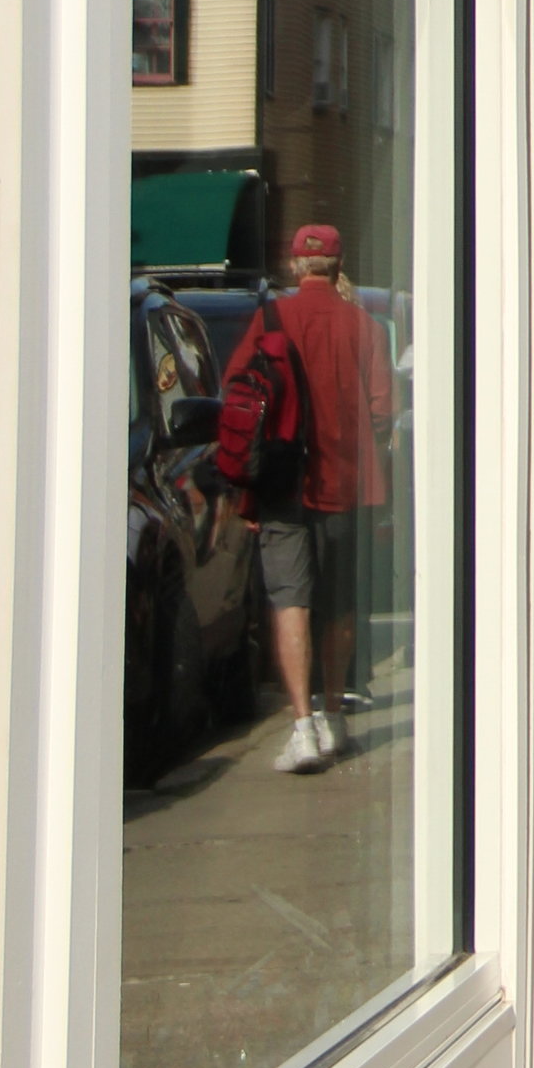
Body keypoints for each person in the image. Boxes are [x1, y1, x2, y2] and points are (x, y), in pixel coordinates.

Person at [226, 223, 396, 774]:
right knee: (340, 603)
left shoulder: (271, 319)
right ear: (338, 264)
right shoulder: (365, 327)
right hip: (345, 485)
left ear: (297, 266)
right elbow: (383, 409)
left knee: (290, 600)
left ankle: (303, 729)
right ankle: (335, 715)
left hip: (282, 486)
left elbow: (239, 397)